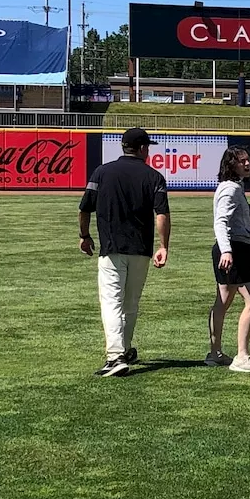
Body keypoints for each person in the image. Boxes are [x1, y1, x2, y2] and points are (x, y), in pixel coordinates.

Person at [78, 127, 171, 377]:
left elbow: (85, 208)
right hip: (141, 249)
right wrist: (164, 246)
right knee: (130, 303)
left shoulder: (102, 171)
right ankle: (125, 348)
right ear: (142, 149)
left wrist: (84, 236)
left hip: (112, 248)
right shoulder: (153, 176)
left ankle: (115, 356)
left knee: (111, 302)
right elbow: (161, 214)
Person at [208, 145, 250, 373]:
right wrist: (227, 251)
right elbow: (220, 221)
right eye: (242, 161)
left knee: (223, 300)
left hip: (232, 247)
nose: (247, 164)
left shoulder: (232, 187)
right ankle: (242, 356)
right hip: (235, 250)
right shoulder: (230, 189)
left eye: (248, 160)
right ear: (231, 164)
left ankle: (215, 353)